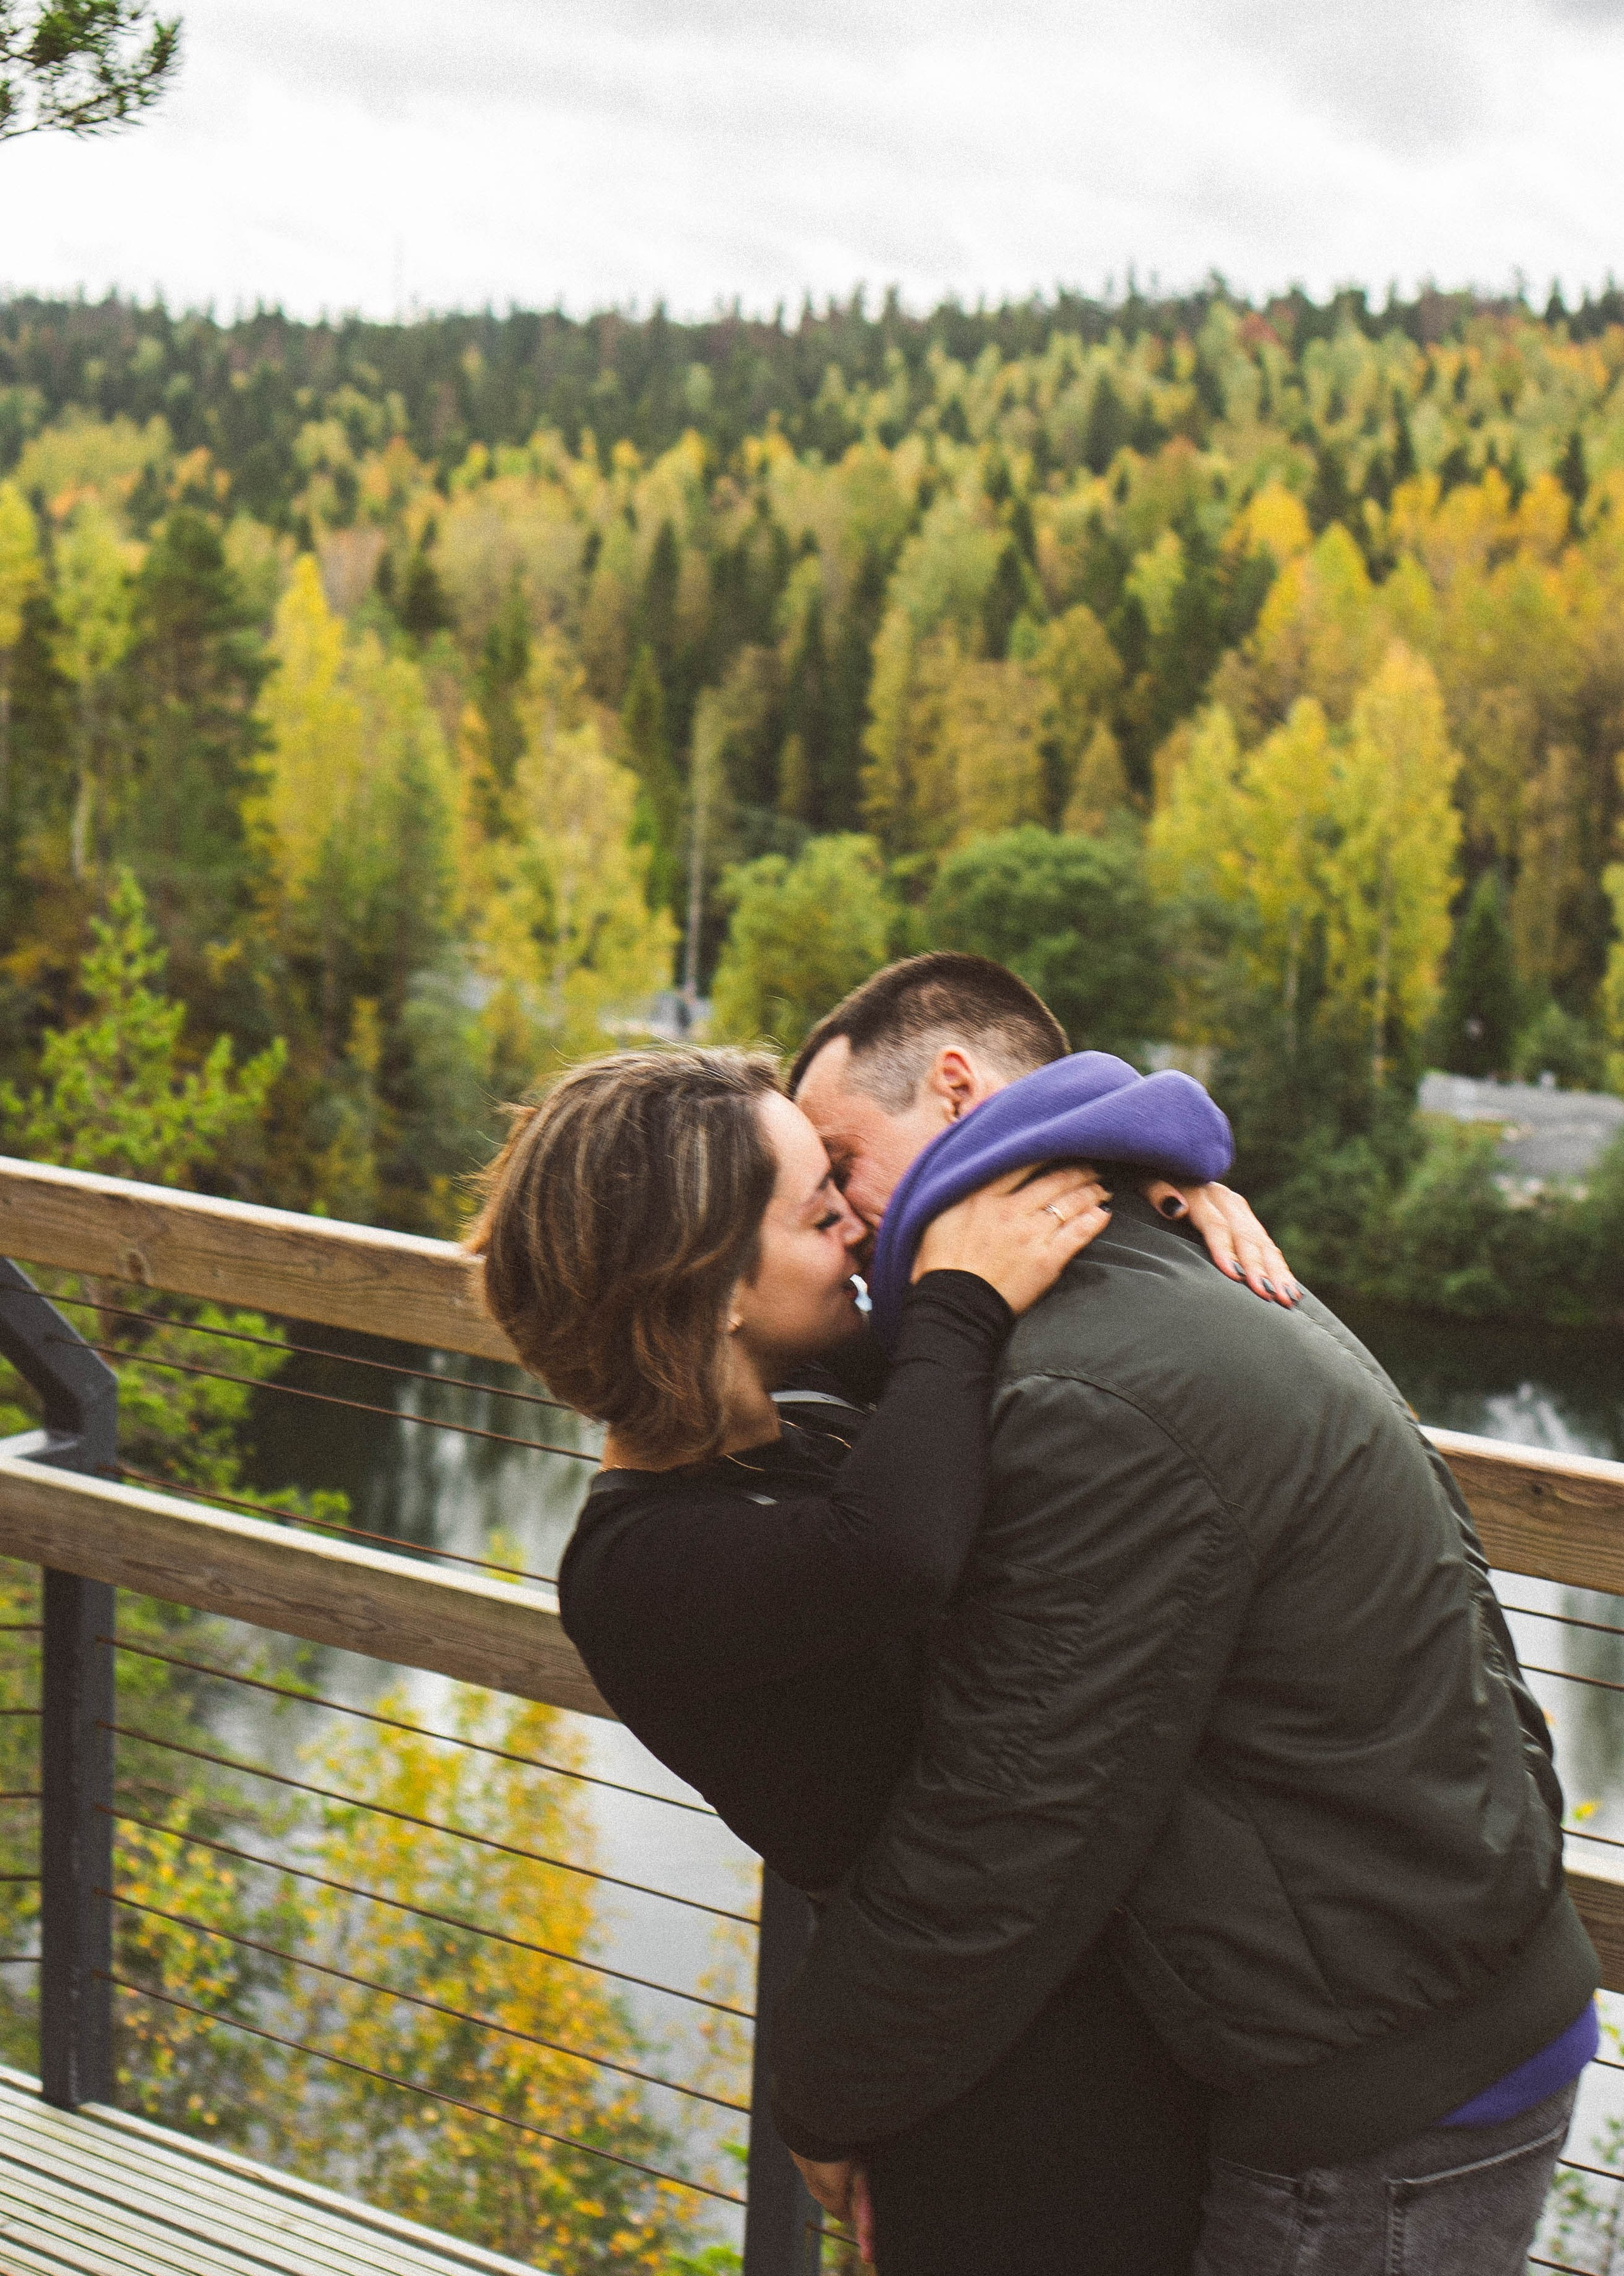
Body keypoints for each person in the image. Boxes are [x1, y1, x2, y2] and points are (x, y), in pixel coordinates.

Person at [774, 951, 1599, 2276]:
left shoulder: (1094, 1387)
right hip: (1415, 2010)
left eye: (840, 1162)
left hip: (1381, 2095)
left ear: (950, 1085)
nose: (843, 1224)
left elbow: (1008, 1811)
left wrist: (826, 2087)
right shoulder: (1155, 1258)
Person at [468, 1041, 1293, 2273]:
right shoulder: (634, 1571)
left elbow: (964, 1362)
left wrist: (1152, 1214)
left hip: (1053, 2011)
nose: (863, 1226)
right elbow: (898, 1544)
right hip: (988, 2103)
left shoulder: (789, 1424)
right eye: (820, 1211)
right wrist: (958, 1298)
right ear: (716, 1294)